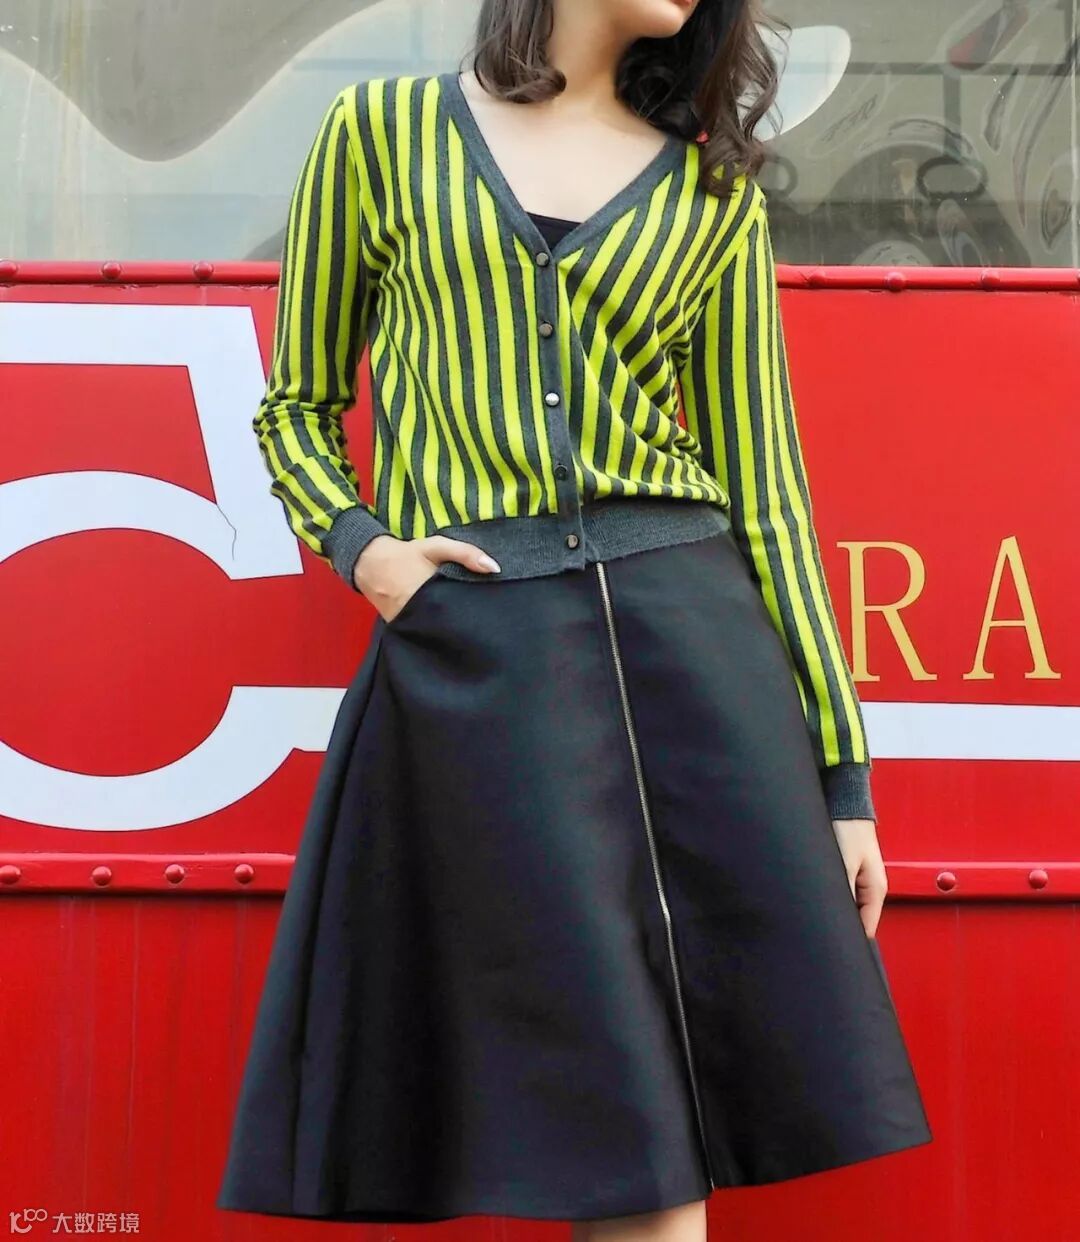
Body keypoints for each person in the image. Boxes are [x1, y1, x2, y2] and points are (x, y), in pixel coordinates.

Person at [216, 1, 933, 1238]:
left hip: (695, 651)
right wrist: (367, 553)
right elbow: (296, 404)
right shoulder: (381, 131)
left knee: (665, 1133)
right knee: (585, 1102)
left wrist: (841, 777)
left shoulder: (713, 190)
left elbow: (767, 490)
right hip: (482, 663)